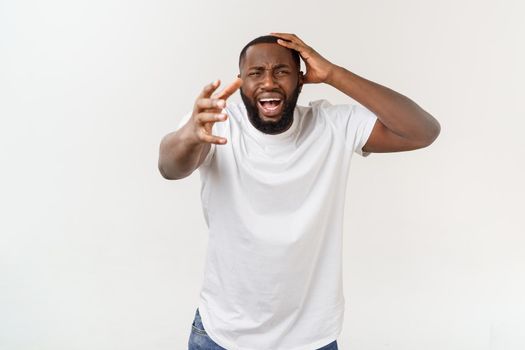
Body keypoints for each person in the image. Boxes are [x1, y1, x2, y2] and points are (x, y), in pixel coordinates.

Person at [158, 33, 440, 350]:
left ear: (301, 80)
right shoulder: (217, 123)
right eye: (255, 73)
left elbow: (422, 131)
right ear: (241, 82)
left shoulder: (333, 125)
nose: (269, 82)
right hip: (222, 335)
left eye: (281, 71)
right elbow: (170, 167)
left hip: (311, 339)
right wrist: (190, 137)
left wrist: (333, 74)